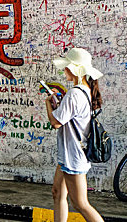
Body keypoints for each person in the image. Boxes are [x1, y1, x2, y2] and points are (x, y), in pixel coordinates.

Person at [44, 48, 104, 222]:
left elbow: (55, 123)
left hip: (74, 157)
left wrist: (49, 104)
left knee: (81, 204)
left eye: (67, 67)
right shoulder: (84, 91)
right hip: (69, 154)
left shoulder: (75, 94)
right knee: (57, 193)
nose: (64, 71)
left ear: (75, 70)